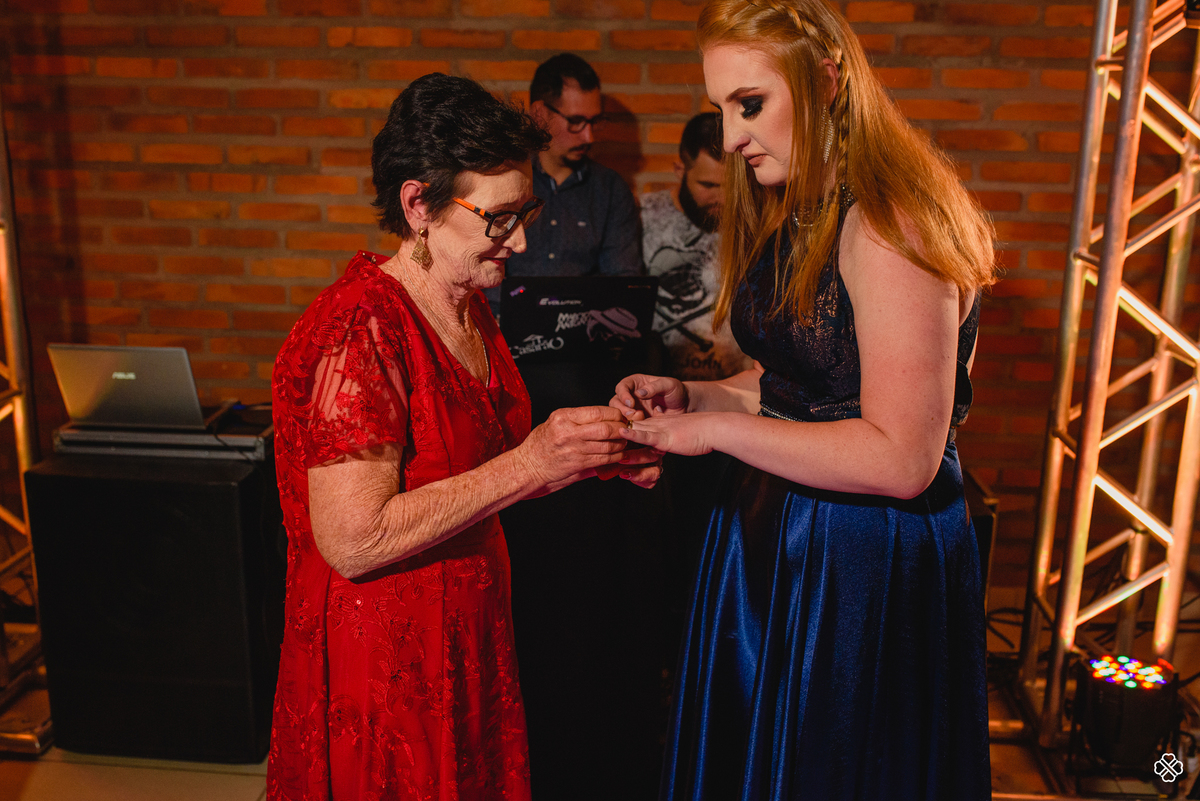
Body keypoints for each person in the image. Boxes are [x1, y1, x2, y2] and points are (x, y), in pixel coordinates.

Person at [613, 1, 996, 798]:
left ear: (824, 82)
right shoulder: (803, 206)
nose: (729, 138)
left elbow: (901, 457)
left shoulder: (894, 225)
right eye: (721, 109)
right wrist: (698, 395)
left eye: (749, 105)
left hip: (858, 560)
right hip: (778, 535)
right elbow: (804, 390)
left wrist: (712, 438)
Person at [266, 73, 658, 801]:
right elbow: (353, 538)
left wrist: (587, 459)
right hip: (388, 657)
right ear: (419, 204)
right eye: (501, 217)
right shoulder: (361, 327)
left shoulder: (470, 306)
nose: (526, 237)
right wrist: (534, 462)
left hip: (466, 635)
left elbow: (480, 470)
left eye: (528, 210)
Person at [496, 53, 642, 297]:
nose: (589, 137)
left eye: (594, 121)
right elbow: (485, 274)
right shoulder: (506, 178)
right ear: (540, 113)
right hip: (507, 329)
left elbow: (623, 285)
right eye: (576, 121)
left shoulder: (610, 190)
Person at [642, 111, 750, 381]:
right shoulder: (640, 218)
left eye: (730, 186)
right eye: (708, 185)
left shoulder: (753, 222)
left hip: (737, 396)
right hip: (657, 390)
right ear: (680, 169)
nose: (722, 198)